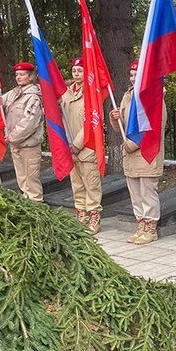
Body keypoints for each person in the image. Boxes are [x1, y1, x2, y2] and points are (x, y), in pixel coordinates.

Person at [110, 60, 165, 244]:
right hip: (130, 154)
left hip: (146, 153)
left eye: (137, 75)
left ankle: (151, 228)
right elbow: (123, 128)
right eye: (131, 75)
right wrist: (114, 118)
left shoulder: (153, 96)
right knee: (135, 192)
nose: (133, 79)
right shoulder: (128, 96)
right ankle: (140, 223)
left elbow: (153, 127)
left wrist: (131, 144)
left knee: (147, 191)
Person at [61, 57, 103, 234]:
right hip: (69, 146)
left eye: (80, 70)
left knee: (91, 183)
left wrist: (77, 144)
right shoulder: (66, 93)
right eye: (74, 71)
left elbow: (90, 122)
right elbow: (61, 118)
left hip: (87, 146)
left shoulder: (91, 93)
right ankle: (81, 213)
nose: (76, 74)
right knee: (76, 183)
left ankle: (94, 215)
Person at [2, 62, 44, 202]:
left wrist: (12, 137)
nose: (18, 77)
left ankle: (36, 208)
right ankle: (27, 206)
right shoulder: (14, 93)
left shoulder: (33, 96)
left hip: (28, 146)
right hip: (16, 145)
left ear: (30, 77)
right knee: (22, 180)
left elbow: (29, 123)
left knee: (31, 181)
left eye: (22, 74)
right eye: (16, 75)